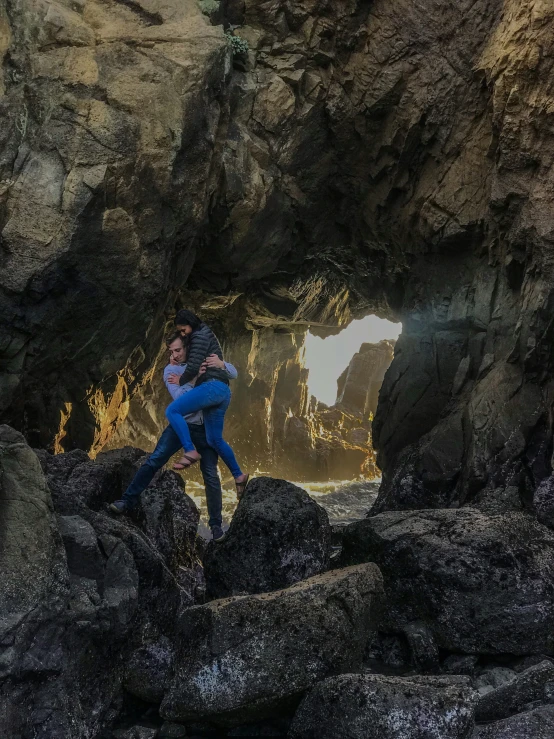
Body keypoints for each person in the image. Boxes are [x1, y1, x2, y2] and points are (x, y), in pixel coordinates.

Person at [109, 332, 238, 541]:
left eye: (178, 350)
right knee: (155, 459)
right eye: (171, 351)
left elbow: (232, 373)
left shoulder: (206, 360)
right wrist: (197, 379)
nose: (175, 355)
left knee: (211, 476)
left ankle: (216, 527)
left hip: (204, 428)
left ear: (189, 348)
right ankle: (126, 501)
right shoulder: (172, 370)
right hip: (181, 425)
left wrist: (221, 365)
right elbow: (179, 397)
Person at [165, 310, 249, 498]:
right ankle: (239, 475)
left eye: (183, 329)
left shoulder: (199, 335)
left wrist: (180, 380)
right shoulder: (203, 334)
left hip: (212, 387)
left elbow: (194, 366)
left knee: (173, 410)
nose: (183, 333)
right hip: (223, 392)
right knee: (214, 439)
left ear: (190, 324)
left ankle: (189, 450)